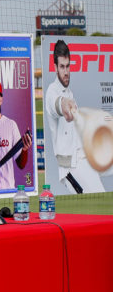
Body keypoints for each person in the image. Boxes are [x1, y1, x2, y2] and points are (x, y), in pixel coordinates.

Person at [44, 39, 105, 193]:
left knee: (102, 200)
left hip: (84, 161)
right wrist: (63, 104)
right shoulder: (52, 92)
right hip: (70, 168)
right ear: (55, 68)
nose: (66, 71)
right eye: (62, 67)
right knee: (95, 205)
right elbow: (57, 104)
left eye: (68, 66)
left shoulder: (70, 92)